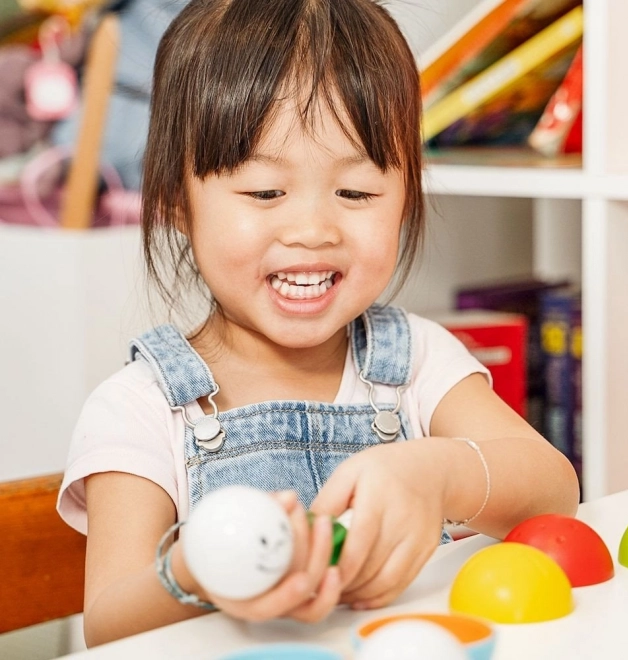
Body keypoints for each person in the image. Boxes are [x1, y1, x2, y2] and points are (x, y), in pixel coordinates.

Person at [57, 0, 580, 647]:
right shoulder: (143, 408)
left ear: (406, 198)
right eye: (264, 193)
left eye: (356, 193)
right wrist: (196, 573)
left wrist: (438, 473)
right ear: (174, 203)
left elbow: (555, 490)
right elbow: (108, 627)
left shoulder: (414, 361)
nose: (313, 230)